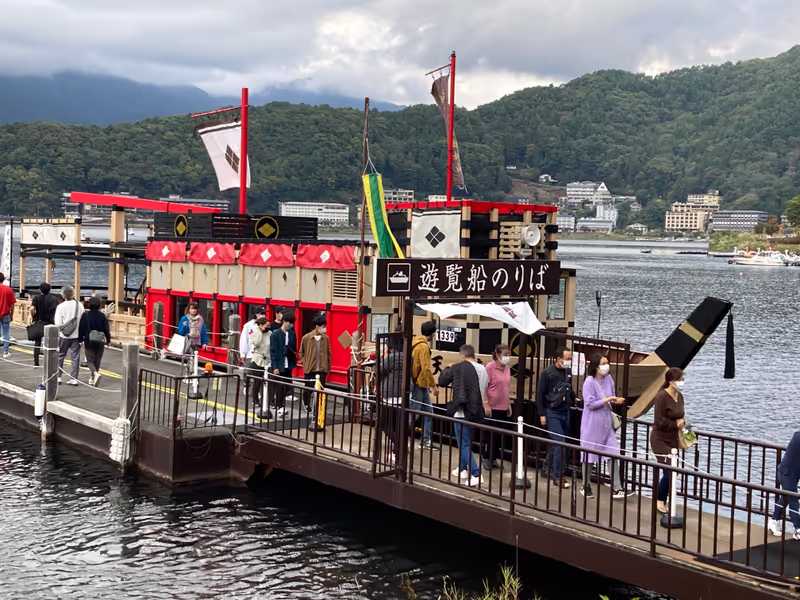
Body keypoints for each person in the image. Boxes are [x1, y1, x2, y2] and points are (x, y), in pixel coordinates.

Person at [579, 353, 630, 499]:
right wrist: (607, 399)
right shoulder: (589, 381)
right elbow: (589, 404)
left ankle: (617, 488)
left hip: (607, 424)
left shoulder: (609, 379)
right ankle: (585, 485)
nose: (606, 365)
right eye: (603, 363)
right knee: (589, 455)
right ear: (596, 366)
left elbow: (611, 398)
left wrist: (616, 401)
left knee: (613, 453)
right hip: (592, 424)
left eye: (607, 362)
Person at [439, 344, 487, 487]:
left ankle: (476, 473)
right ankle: (462, 468)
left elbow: (442, 381)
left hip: (462, 410)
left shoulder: (458, 368)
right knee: (467, 441)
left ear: (462, 355)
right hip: (477, 410)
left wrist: (448, 367)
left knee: (463, 443)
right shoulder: (483, 369)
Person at [535, 345, 578, 488]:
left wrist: (574, 397)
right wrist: (542, 414)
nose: (569, 362)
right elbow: (540, 394)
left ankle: (547, 467)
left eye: (570, 359)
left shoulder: (568, 372)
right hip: (552, 411)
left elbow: (568, 388)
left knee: (559, 442)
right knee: (560, 443)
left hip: (565, 410)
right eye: (567, 359)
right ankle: (558, 476)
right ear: (558, 359)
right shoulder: (547, 373)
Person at [650, 367, 686, 514]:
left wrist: (682, 424)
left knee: (673, 471)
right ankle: (660, 501)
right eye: (680, 380)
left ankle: (666, 500)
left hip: (673, 439)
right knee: (669, 471)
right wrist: (674, 424)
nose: (682, 382)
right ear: (672, 381)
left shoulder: (680, 396)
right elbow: (658, 421)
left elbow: (680, 415)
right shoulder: (661, 397)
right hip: (660, 439)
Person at [410, 320, 439, 451]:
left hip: (416, 382)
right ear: (432, 334)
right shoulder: (424, 347)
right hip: (420, 383)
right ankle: (400, 436)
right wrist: (433, 386)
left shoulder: (415, 342)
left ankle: (426, 440)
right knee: (415, 413)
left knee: (425, 412)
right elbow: (426, 368)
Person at [483, 344, 512, 470]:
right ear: (498, 355)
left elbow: (507, 387)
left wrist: (508, 403)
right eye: (505, 355)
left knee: (499, 435)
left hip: (503, 406)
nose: (507, 357)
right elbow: (484, 385)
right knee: (490, 434)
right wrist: (485, 404)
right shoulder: (490, 367)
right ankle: (486, 458)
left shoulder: (507, 368)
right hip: (492, 406)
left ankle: (494, 458)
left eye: (508, 354)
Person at [299, 313, 332, 422]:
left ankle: (319, 410)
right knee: (308, 388)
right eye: (323, 326)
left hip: (322, 369)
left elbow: (329, 353)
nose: (324, 329)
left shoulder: (326, 339)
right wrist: (305, 362)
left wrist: (328, 367)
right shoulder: (307, 338)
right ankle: (307, 403)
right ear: (317, 327)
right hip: (310, 368)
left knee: (321, 391)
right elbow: (301, 352)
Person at [768, 430, 800, 540]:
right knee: (794, 501)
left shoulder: (797, 434)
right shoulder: (798, 437)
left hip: (790, 473)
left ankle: (774, 521)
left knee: (785, 499)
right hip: (787, 474)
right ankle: (798, 530)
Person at [379, 334, 405, 465]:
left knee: (385, 423)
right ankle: (398, 447)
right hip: (405, 394)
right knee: (398, 423)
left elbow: (380, 370)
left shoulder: (391, 358)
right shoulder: (408, 357)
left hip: (391, 394)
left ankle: (398, 446)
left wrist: (384, 357)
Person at [269, 310, 297, 418]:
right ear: (284, 321)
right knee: (279, 386)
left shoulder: (292, 334)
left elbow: (294, 348)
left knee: (287, 385)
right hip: (279, 363)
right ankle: (280, 406)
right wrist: (275, 366)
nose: (291, 324)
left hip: (288, 363)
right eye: (290, 322)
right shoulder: (275, 334)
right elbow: (273, 351)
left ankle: (279, 404)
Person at [54, 285, 84, 386]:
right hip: (77, 335)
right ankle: (74, 378)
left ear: (63, 295)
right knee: (75, 357)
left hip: (64, 335)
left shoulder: (60, 307)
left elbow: (57, 323)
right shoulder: (79, 305)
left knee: (60, 355)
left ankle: (58, 376)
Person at [78, 295, 110, 386]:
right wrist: (108, 340)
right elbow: (106, 329)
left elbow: (81, 328)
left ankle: (95, 374)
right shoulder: (102, 316)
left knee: (89, 360)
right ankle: (92, 377)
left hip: (89, 339)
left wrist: (80, 339)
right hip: (100, 340)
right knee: (97, 359)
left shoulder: (85, 315)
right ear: (99, 305)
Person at [249, 316, 272, 420]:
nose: (268, 327)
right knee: (257, 382)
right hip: (257, 360)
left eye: (268, 325)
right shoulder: (254, 334)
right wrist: (259, 331)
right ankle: (255, 399)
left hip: (267, 361)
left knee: (266, 383)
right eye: (266, 326)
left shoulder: (270, 334)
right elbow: (256, 343)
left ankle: (265, 401)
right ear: (260, 326)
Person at [29, 282, 58, 367]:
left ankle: (36, 361)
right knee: (50, 342)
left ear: (40, 290)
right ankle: (50, 362)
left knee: (37, 342)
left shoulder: (36, 298)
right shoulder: (54, 299)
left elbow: (31, 309)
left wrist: (33, 316)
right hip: (50, 322)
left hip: (39, 321)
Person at [241, 306, 266, 397]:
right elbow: (244, 339)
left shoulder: (265, 325)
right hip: (250, 353)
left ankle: (258, 391)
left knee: (259, 373)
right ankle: (246, 385)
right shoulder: (248, 326)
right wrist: (243, 353)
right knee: (247, 371)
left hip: (261, 353)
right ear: (256, 314)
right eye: (261, 313)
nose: (263, 315)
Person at [0, 272, 16, 358]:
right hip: (6, 313)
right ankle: (5, 352)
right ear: (3, 279)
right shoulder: (8, 289)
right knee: (6, 333)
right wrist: (12, 314)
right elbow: (13, 304)